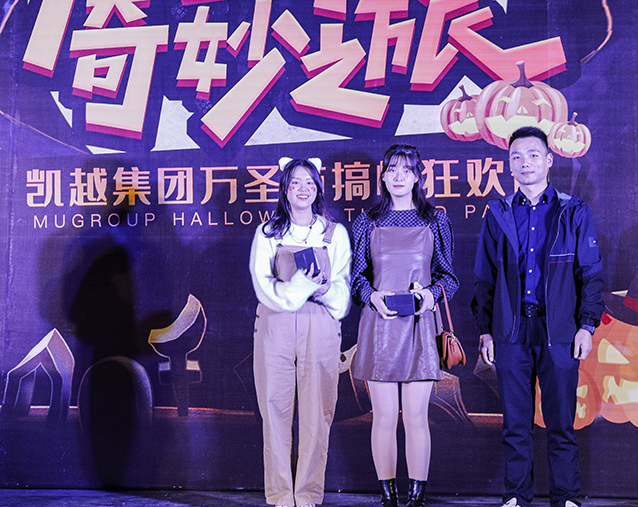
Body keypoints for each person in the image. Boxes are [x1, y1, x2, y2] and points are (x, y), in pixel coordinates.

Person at [471, 127, 604, 507]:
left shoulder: (573, 211)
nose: (524, 162)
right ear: (509, 165)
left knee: (561, 423)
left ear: (548, 160)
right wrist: (486, 331)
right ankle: (516, 496)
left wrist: (586, 325)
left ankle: (566, 497)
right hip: (510, 331)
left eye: (532, 155)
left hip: (559, 330)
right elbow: (484, 277)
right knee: (516, 424)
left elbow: (591, 273)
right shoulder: (498, 213)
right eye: (516, 156)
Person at [351, 144, 459, 507]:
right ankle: (388, 496)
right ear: (382, 176)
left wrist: (429, 295)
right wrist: (373, 296)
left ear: (417, 177)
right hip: (379, 327)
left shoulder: (435, 220)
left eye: (406, 170)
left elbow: (449, 278)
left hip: (420, 327)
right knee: (383, 417)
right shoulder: (367, 221)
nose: (398, 176)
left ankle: (416, 497)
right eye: (392, 170)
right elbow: (356, 278)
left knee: (416, 417)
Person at [249, 157, 352, 507]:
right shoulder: (268, 233)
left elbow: (343, 289)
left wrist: (322, 290)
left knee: (317, 412)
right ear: (285, 190)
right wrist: (299, 288)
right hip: (275, 323)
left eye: (310, 182)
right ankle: (280, 494)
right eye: (295, 182)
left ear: (318, 189)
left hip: (320, 323)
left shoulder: (335, 233)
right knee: (274, 408)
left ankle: (307, 494)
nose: (303, 188)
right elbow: (263, 285)